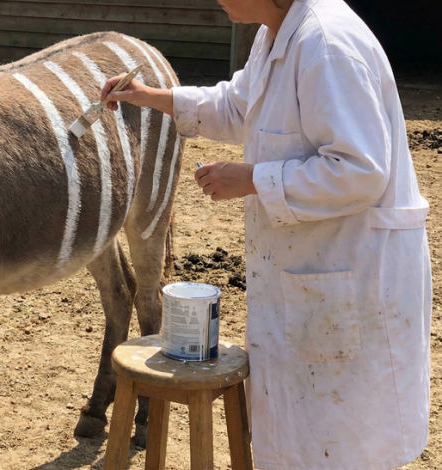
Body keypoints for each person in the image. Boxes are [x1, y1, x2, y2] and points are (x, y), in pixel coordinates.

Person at [101, 0, 431, 468]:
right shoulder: (275, 34)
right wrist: (151, 96)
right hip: (310, 275)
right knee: (305, 435)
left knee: (341, 443)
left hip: (347, 271)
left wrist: (254, 179)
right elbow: (238, 106)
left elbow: (359, 170)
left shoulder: (328, 45)